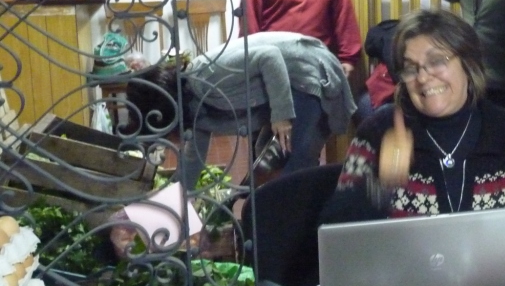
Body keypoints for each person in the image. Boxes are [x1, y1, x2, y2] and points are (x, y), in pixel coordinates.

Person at [333, 8, 505, 218]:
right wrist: (381, 187)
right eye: (411, 68)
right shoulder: (377, 131)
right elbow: (335, 228)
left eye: (436, 61)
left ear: (468, 64)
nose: (423, 78)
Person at [127, 32, 356, 188]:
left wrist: (281, 114)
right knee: (267, 165)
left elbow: (269, 56)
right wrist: (176, 200)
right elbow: (193, 159)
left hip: (305, 73)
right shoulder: (193, 107)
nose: (170, 138)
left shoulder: (208, 76)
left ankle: (305, 231)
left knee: (295, 167)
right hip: (287, 86)